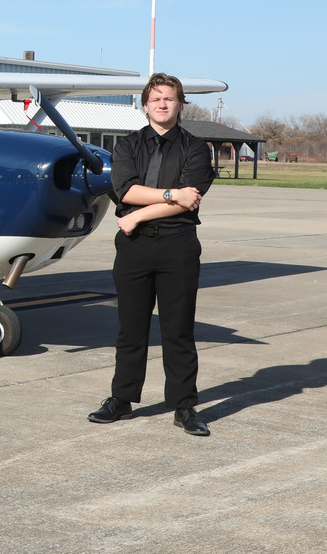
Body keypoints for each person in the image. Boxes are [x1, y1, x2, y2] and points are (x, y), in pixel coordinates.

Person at [88, 73, 215, 435]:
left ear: (180, 104)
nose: (162, 104)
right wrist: (171, 196)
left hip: (178, 245)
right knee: (131, 329)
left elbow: (191, 200)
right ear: (145, 106)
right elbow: (126, 191)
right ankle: (122, 399)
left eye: (169, 99)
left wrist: (141, 214)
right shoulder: (126, 146)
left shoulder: (195, 148)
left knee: (179, 330)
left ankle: (185, 406)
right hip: (135, 247)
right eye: (155, 98)